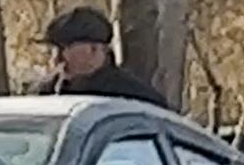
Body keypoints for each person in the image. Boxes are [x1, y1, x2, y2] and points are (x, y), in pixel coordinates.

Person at [28, 6, 169, 108]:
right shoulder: (45, 95)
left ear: (94, 49)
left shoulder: (134, 98)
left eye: (64, 49)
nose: (56, 59)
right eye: (54, 50)